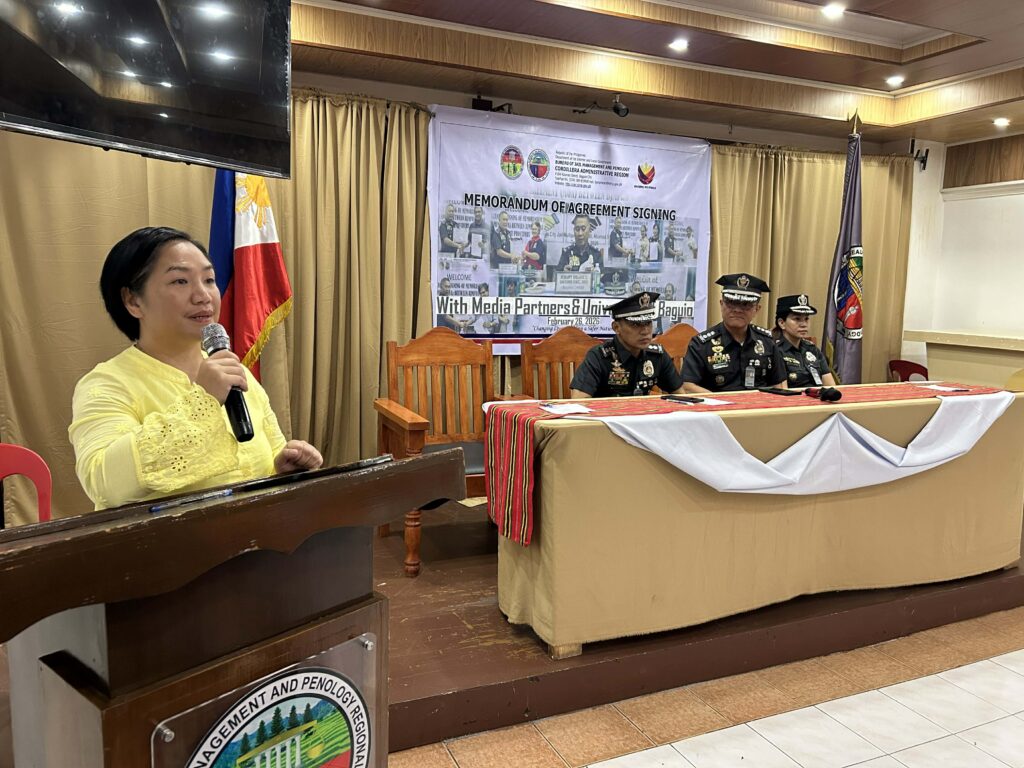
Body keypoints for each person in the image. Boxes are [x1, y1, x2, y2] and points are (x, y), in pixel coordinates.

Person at [69, 227, 322, 511]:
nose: (203, 296)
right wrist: (203, 400)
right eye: (180, 281)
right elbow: (106, 485)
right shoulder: (105, 384)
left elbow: (272, 451)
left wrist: (281, 470)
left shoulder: (235, 370)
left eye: (209, 280)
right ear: (133, 301)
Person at [682, 273, 787, 393]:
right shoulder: (701, 344)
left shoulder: (767, 341)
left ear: (757, 309)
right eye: (731, 302)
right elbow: (687, 386)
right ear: (721, 304)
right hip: (718, 408)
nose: (737, 310)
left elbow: (779, 384)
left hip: (759, 407)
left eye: (745, 304)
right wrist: (723, 403)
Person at [570, 291, 686, 398]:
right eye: (636, 325)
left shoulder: (656, 355)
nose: (645, 331)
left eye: (648, 323)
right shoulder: (599, 357)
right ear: (616, 327)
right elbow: (579, 401)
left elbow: (682, 396)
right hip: (608, 418)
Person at [774, 294, 836, 387]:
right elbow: (782, 392)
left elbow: (831, 386)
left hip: (819, 398)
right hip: (793, 399)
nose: (803, 324)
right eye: (797, 319)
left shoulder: (812, 349)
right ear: (782, 323)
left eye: (806, 319)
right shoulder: (775, 350)